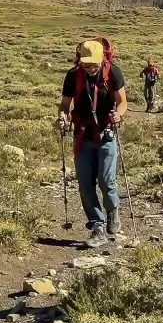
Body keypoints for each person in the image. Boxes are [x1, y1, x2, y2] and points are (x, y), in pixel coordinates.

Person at [58, 39, 128, 248]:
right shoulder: (73, 76)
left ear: (101, 59)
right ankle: (97, 227)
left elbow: (122, 101)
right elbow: (64, 105)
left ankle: (112, 211)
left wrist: (119, 114)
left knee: (106, 180)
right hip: (82, 134)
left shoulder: (112, 73)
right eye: (86, 64)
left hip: (106, 133)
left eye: (93, 65)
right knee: (85, 184)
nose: (90, 68)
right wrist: (62, 117)